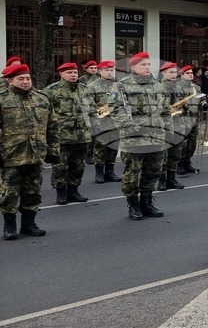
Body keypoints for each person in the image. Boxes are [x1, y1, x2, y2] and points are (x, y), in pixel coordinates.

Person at [1, 64, 59, 240]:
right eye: (21, 79)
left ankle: (29, 224)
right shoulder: (3, 100)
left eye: (27, 78)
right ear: (10, 81)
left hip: (36, 154)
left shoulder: (42, 99)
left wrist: (53, 150)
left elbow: (53, 127)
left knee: (33, 191)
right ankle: (10, 226)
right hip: (11, 155)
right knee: (9, 193)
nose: (25, 82)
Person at [111, 52, 172, 220]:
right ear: (133, 67)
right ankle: (133, 204)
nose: (147, 67)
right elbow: (115, 109)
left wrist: (170, 131)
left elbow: (166, 110)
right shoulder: (122, 85)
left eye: (148, 64)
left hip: (156, 136)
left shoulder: (158, 85)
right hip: (134, 137)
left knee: (152, 171)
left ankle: (147, 202)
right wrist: (131, 127)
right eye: (142, 65)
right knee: (132, 172)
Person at [45, 62, 96, 205]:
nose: (73, 75)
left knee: (78, 166)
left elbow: (92, 110)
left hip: (82, 136)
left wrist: (95, 127)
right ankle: (61, 192)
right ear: (61, 74)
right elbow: (45, 114)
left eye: (74, 72)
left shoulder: (84, 89)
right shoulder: (52, 91)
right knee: (60, 167)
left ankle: (74, 190)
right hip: (61, 137)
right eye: (69, 72)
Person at [88, 60, 122, 183]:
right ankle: (99, 173)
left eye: (111, 70)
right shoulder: (93, 86)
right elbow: (88, 104)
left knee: (113, 147)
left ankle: (110, 171)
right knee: (100, 148)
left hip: (116, 121)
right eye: (106, 70)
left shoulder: (118, 85)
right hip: (101, 122)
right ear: (100, 71)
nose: (109, 72)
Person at [156, 62, 186, 191]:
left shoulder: (179, 87)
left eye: (175, 72)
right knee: (164, 154)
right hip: (164, 124)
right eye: (171, 72)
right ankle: (162, 180)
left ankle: (171, 178)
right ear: (163, 73)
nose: (174, 75)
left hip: (178, 124)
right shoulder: (158, 87)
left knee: (175, 153)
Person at [176, 65, 203, 175]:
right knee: (183, 143)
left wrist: (204, 104)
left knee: (192, 142)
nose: (191, 74)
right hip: (183, 119)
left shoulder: (196, 87)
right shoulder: (177, 87)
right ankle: (180, 163)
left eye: (191, 73)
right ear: (182, 75)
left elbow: (201, 98)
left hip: (194, 119)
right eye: (188, 73)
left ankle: (188, 161)